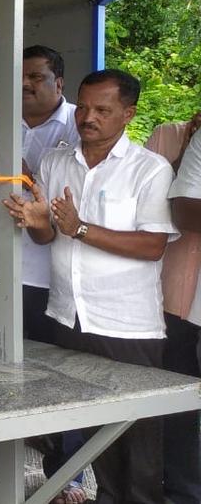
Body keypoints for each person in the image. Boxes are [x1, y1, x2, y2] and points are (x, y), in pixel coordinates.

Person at [5, 69, 176, 503]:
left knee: (136, 436)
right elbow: (47, 236)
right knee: (89, 423)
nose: (88, 117)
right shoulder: (57, 160)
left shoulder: (148, 169)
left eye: (103, 109)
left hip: (126, 326)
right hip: (68, 315)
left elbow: (153, 244)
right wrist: (36, 223)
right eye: (83, 107)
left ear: (128, 114)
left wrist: (80, 228)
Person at [0, 45, 84, 502]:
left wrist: (30, 174)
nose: (25, 86)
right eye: (19, 78)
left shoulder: (79, 127)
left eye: (36, 77)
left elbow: (78, 198)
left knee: (55, 375)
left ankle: (67, 471)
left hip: (46, 273)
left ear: (59, 81)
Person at [147, 111, 201, 504]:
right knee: (178, 404)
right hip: (174, 299)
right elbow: (172, 207)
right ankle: (180, 491)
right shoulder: (170, 135)